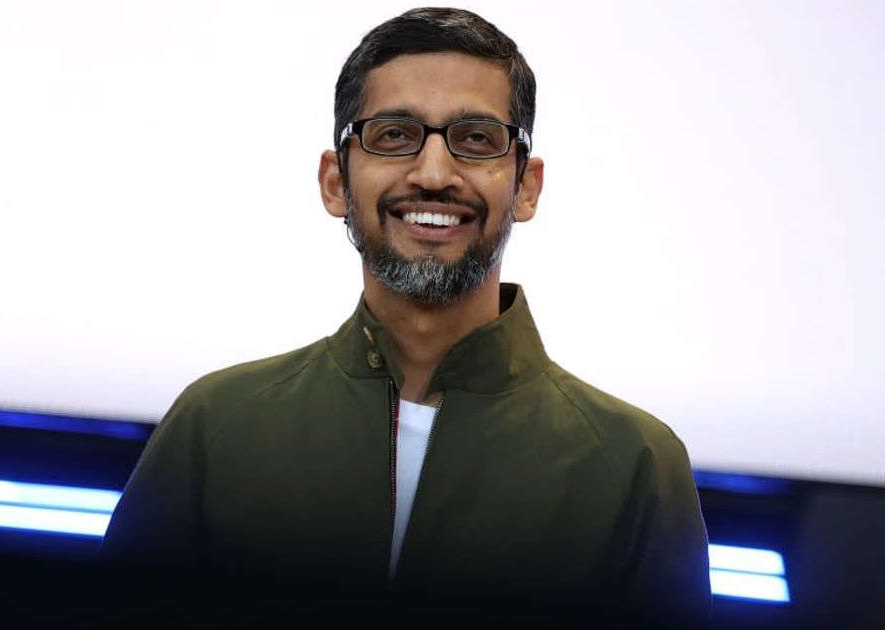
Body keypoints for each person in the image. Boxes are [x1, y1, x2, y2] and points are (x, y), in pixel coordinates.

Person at [99, 7, 711, 627]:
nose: (434, 174)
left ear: (526, 187)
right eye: (394, 135)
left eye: (476, 139)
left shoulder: (635, 467)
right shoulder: (215, 426)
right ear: (335, 181)